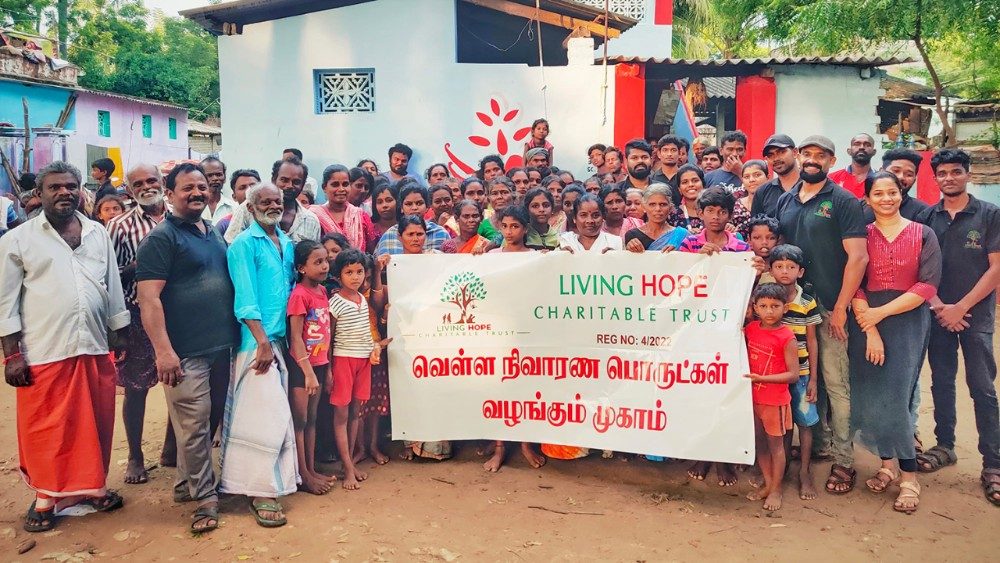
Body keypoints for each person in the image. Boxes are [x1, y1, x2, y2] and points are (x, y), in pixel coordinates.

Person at [0, 161, 129, 532]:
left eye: (71, 186)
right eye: (55, 187)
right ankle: (46, 497)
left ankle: (94, 488)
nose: (64, 193)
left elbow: (112, 285)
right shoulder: (18, 240)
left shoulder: (97, 232)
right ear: (39, 194)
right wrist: (12, 355)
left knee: (95, 422)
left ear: (80, 191)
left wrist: (119, 331)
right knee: (46, 428)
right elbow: (5, 302)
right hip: (45, 349)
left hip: (93, 343)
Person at [136, 162, 239, 534]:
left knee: (208, 421)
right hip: (185, 351)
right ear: (169, 194)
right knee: (194, 425)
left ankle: (187, 484)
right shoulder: (161, 239)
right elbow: (149, 299)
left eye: (201, 187)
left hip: (220, 345)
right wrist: (164, 351)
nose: (197, 193)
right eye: (187, 188)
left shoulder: (211, 231)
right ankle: (205, 498)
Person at [774, 135, 869, 494]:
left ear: (831, 161)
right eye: (807, 154)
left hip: (829, 305)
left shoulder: (843, 201)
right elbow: (778, 250)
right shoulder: (786, 199)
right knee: (802, 378)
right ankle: (820, 444)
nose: (813, 160)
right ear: (799, 157)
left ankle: (844, 460)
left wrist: (842, 307)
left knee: (835, 383)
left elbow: (858, 257)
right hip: (792, 305)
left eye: (821, 155)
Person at [849, 172, 941, 514]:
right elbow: (855, 283)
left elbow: (927, 286)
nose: (886, 198)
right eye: (878, 193)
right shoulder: (861, 235)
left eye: (892, 192)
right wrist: (870, 327)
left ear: (902, 194)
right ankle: (887, 465)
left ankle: (910, 477)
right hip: (865, 319)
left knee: (897, 397)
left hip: (907, 321)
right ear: (867, 199)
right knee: (872, 395)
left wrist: (881, 313)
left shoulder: (923, 233)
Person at [915, 149, 1000, 506]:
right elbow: (919, 267)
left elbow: (996, 268)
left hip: (975, 317)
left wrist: (960, 307)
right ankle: (945, 446)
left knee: (982, 388)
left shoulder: (989, 214)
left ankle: (993, 463)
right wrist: (939, 307)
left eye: (956, 172)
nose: (949, 178)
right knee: (942, 381)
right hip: (937, 315)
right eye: (942, 173)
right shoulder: (926, 217)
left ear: (968, 174)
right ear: (935, 178)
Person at [223, 182, 298, 528]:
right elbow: (245, 298)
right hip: (256, 343)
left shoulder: (287, 244)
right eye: (264, 202)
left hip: (279, 341)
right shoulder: (242, 245)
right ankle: (258, 492)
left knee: (276, 417)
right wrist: (262, 341)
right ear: (250, 208)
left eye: (277, 201)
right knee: (261, 418)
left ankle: (276, 483)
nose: (273, 206)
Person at [107, 163, 175, 485]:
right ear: (129, 190)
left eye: (151, 181)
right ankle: (135, 456)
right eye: (138, 184)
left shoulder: (180, 217)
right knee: (136, 388)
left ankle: (171, 448)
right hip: (138, 315)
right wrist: (139, 268)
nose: (147, 187)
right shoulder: (119, 226)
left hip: (180, 314)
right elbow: (108, 275)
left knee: (181, 384)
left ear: (162, 182)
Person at [766, 244, 822, 501]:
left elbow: (812, 341)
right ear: (771, 270)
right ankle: (783, 467)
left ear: (800, 272)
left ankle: (805, 472)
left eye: (791, 267)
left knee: (805, 423)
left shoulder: (807, 302)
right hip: (774, 375)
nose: (785, 271)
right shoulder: (767, 301)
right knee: (781, 424)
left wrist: (813, 379)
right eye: (779, 266)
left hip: (801, 374)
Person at [328, 246, 386, 488]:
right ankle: (348, 468)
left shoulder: (362, 299)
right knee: (341, 416)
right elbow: (329, 339)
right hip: (343, 361)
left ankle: (349, 464)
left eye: (359, 271)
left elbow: (365, 334)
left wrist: (375, 348)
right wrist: (329, 370)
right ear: (338, 276)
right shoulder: (335, 303)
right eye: (349, 272)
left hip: (363, 362)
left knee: (355, 414)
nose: (355, 277)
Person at [286, 240, 336, 495]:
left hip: (319, 365)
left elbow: (326, 333)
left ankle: (311, 468)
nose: (325, 266)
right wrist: (307, 372)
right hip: (302, 369)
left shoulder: (322, 292)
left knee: (312, 419)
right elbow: (296, 339)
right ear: (301, 268)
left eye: (325, 260)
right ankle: (302, 474)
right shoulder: (299, 296)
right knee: (300, 420)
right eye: (318, 262)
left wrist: (327, 369)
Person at [744, 283, 799, 511]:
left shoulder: (787, 337)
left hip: (774, 400)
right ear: (755, 308)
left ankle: (776, 490)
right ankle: (768, 484)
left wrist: (762, 378)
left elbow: (793, 375)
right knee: (760, 444)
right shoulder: (750, 329)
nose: (769, 311)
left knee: (776, 447)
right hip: (752, 398)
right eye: (764, 306)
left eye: (775, 306)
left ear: (785, 308)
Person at [225, 158, 321, 244]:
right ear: (273, 180)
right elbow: (232, 244)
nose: (289, 186)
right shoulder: (249, 208)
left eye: (296, 182)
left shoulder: (311, 220)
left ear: (303, 185)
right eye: (284, 180)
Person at [310, 164, 377, 250]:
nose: (341, 189)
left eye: (345, 184)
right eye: (335, 184)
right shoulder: (314, 216)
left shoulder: (361, 216)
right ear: (324, 187)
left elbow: (371, 250)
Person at [373, 183, 451, 255]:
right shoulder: (390, 236)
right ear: (401, 208)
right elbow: (380, 264)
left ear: (427, 207)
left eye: (419, 203)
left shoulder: (441, 233)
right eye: (409, 204)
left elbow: (451, 262)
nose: (414, 208)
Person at [865, 148, 929, 222]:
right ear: (881, 171)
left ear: (914, 179)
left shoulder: (924, 212)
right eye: (896, 171)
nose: (901, 177)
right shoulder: (860, 208)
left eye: (909, 174)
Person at [623, 183, 688, 252]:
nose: (658, 209)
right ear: (644, 207)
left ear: (670, 208)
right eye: (652, 204)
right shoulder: (633, 236)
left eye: (663, 204)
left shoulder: (681, 235)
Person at [753, 134, 800, 218]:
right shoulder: (763, 192)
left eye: (781, 152)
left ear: (795, 152)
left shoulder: (812, 185)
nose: (776, 158)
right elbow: (756, 224)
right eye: (770, 155)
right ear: (766, 160)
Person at [829, 133, 877, 198]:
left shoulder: (882, 179)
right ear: (849, 151)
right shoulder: (832, 179)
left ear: (874, 152)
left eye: (867, 145)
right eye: (857, 144)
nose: (862, 147)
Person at [217, 169, 261, 236]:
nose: (248, 191)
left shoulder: (271, 217)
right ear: (234, 197)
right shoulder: (224, 225)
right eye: (242, 188)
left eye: (253, 186)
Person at [733, 160, 768, 239]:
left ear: (768, 177)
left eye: (757, 175)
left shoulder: (775, 202)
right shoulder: (735, 205)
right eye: (746, 177)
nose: (751, 180)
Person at [669, 164, 706, 233]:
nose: (690, 185)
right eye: (685, 182)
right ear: (679, 189)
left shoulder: (713, 211)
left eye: (695, 180)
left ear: (703, 184)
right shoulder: (672, 215)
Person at [650, 135, 685, 205]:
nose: (669, 154)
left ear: (679, 154)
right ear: (659, 154)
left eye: (673, 150)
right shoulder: (652, 179)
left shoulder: (685, 177)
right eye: (665, 150)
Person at [200, 157, 236, 223]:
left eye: (219, 175)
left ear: (224, 178)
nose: (215, 178)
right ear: (200, 178)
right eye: (209, 175)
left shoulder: (234, 208)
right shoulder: (193, 206)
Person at [369, 180, 398, 253]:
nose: (384, 205)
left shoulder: (405, 226)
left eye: (389, 200)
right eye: (379, 202)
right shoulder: (370, 228)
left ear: (397, 201)